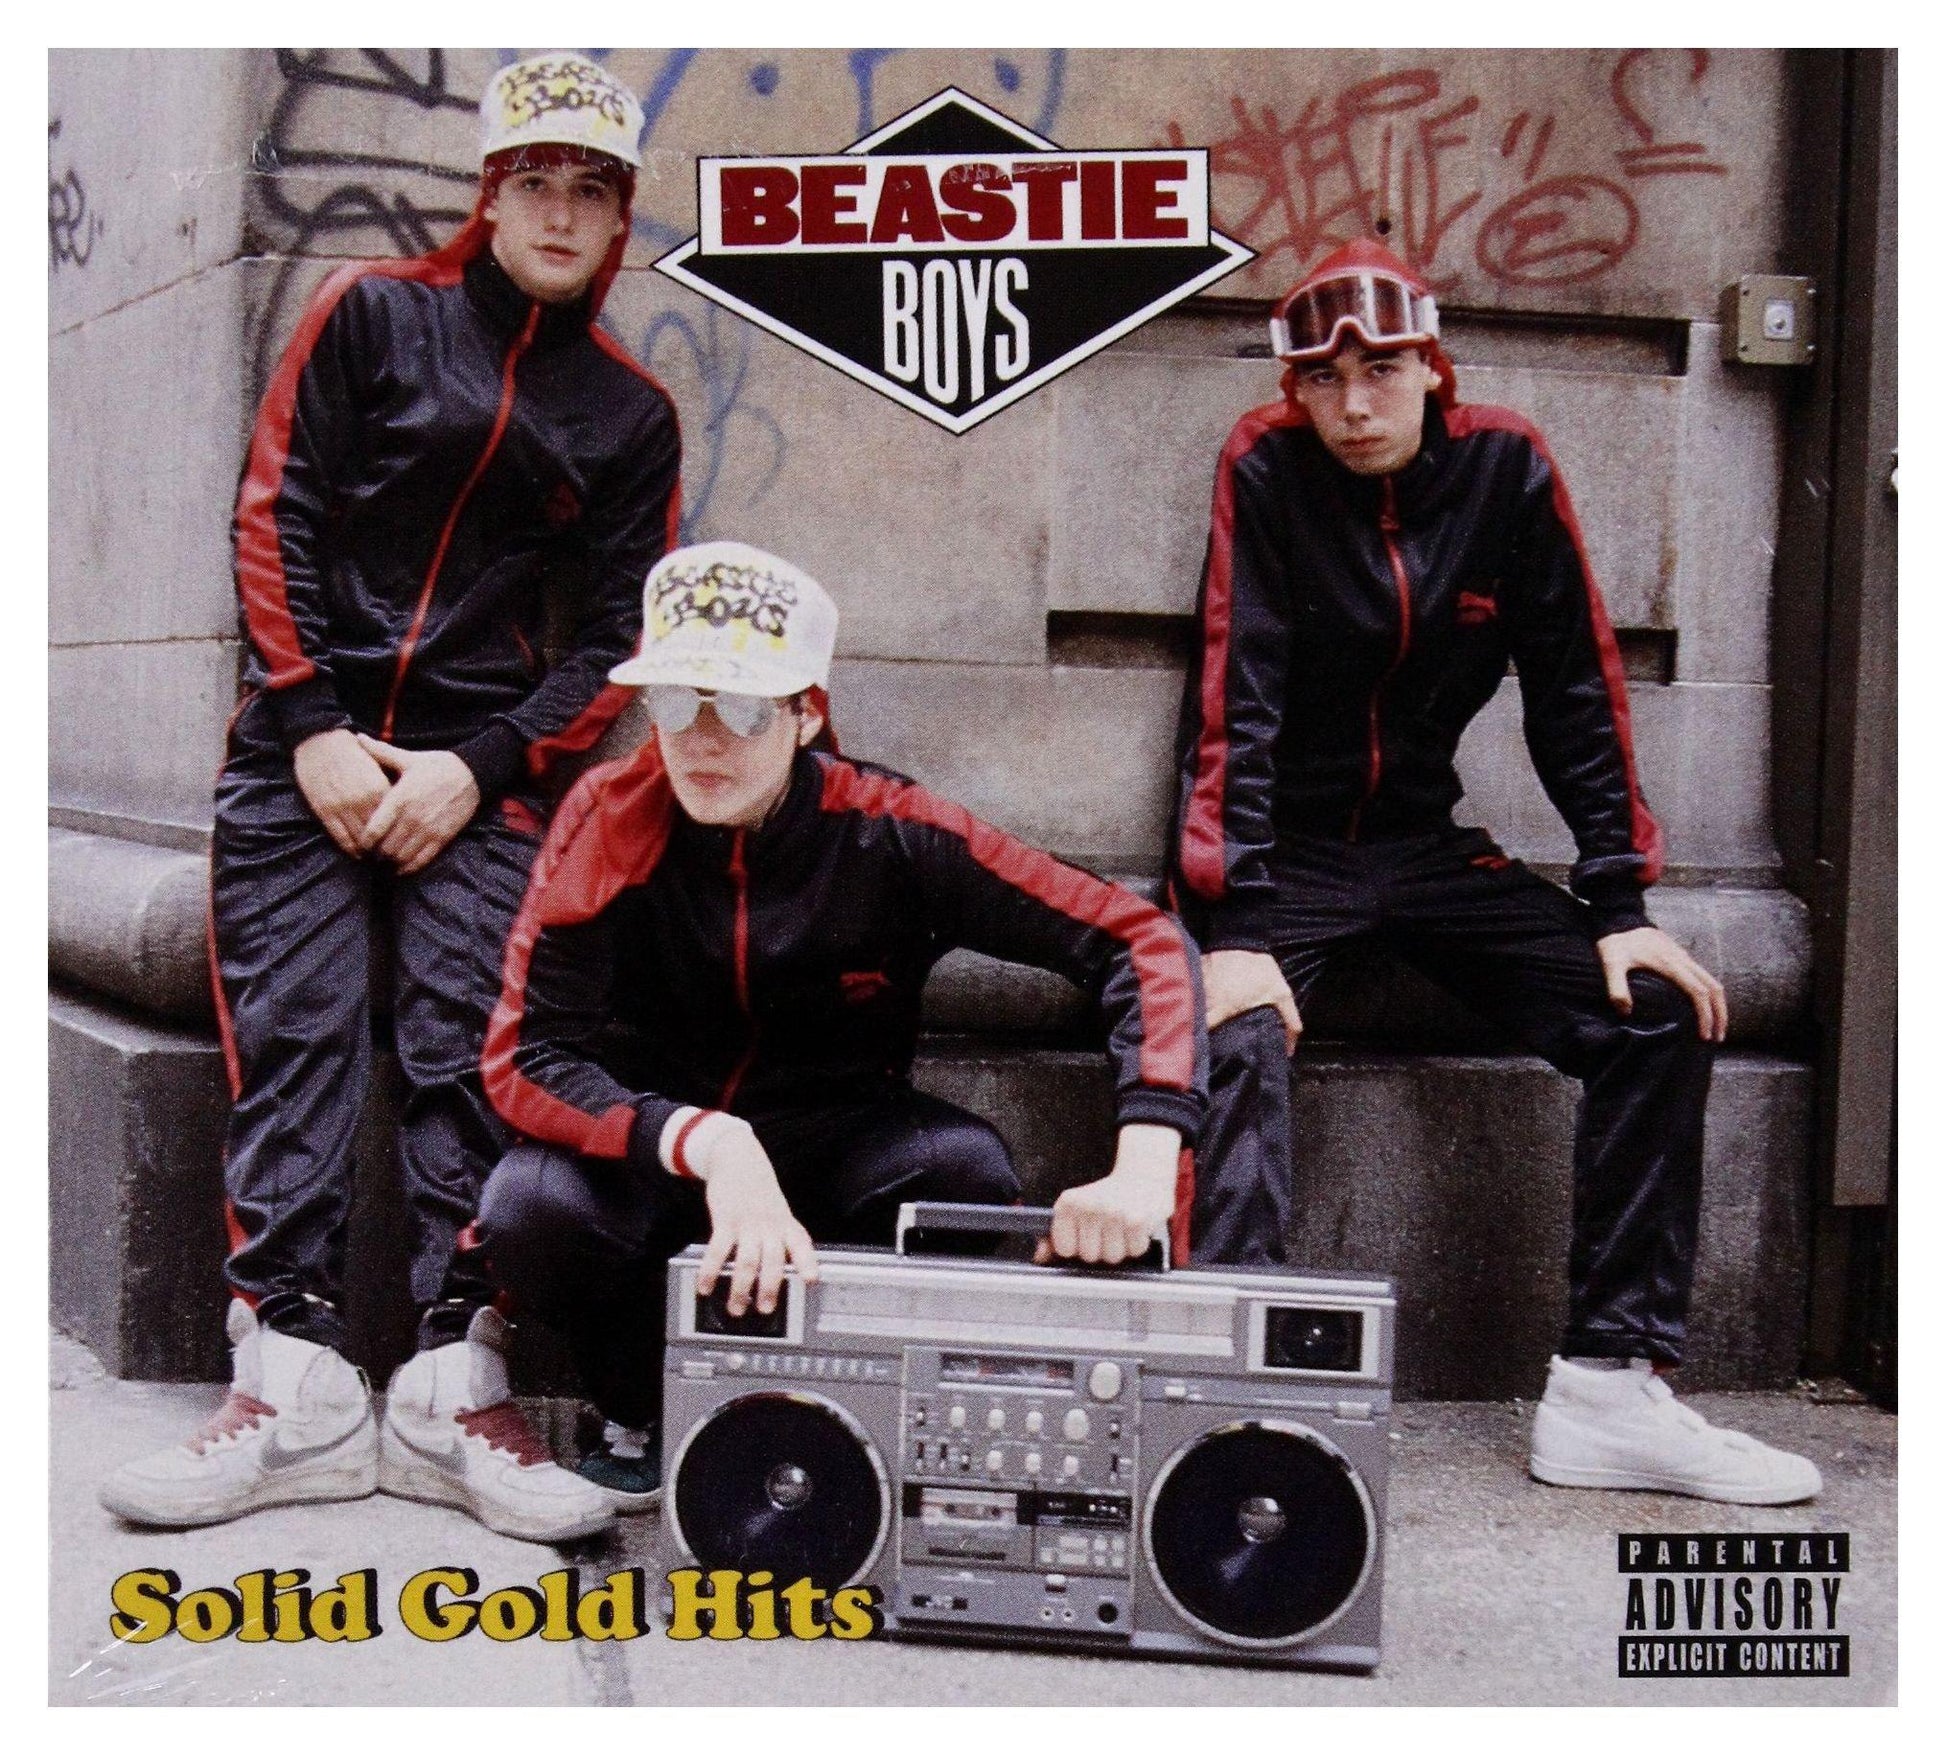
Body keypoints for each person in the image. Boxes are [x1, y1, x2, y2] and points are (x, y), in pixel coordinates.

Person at [100, 53, 682, 1544]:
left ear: (621, 216)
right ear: (489, 193)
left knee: (469, 1055)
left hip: (478, 769)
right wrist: (311, 724)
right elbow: (274, 510)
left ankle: (449, 1394)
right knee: (292, 1038)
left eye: (592, 190)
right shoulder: (372, 313)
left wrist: (477, 767)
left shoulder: (628, 411)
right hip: (305, 744)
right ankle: (288, 1390)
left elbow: (624, 636)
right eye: (534, 181)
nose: (560, 213)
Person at [1168, 238, 1819, 1504]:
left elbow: (1575, 686)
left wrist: (1618, 904)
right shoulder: (1263, 464)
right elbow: (1229, 695)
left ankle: (1606, 1392)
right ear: (1293, 391)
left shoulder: (1506, 468)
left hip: (1423, 847)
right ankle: (1234, 1394)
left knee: (1653, 1013)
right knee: (1223, 1027)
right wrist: (1232, 923)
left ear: (1432, 367)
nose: (1354, 406)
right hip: (1277, 857)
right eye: (1322, 380)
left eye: (1381, 370)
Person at [474, 540, 1207, 1510]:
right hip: (663, 1158)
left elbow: (1136, 937)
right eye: (676, 700)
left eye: (741, 707)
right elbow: (525, 1057)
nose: (701, 739)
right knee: (529, 1205)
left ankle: (832, 1407)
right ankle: (637, 1410)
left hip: (832, 1156)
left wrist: (1148, 1157)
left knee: (963, 1172)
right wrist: (705, 1141)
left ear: (805, 713)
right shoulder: (609, 814)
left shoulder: (889, 828)